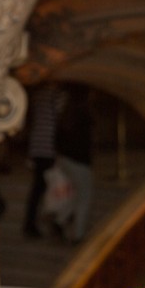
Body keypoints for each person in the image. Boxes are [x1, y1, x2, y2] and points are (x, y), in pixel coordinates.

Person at [53, 83, 94, 243]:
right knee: (84, 196)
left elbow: (58, 137)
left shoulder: (66, 113)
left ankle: (60, 221)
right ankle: (78, 234)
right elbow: (86, 142)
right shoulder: (84, 114)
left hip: (66, 159)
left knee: (75, 194)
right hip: (79, 161)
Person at [22, 82, 65, 237]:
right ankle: (51, 224)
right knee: (51, 188)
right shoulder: (56, 95)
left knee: (39, 188)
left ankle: (32, 223)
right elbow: (60, 120)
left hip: (36, 146)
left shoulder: (37, 94)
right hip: (49, 147)